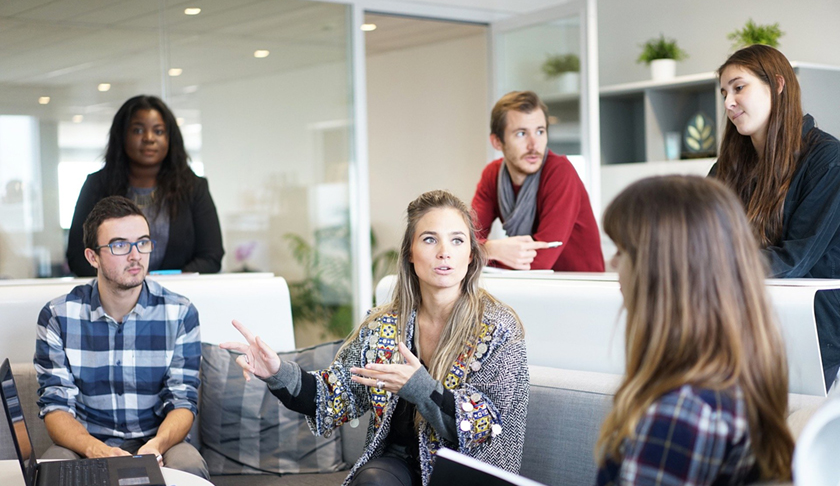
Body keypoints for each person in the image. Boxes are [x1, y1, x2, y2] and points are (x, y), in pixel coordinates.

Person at [222, 190, 529, 486]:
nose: (444, 252)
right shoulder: (383, 325)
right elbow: (335, 394)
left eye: (457, 240)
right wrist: (278, 372)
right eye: (429, 239)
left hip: (465, 469)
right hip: (397, 466)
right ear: (410, 252)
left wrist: (421, 389)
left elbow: (487, 425)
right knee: (373, 481)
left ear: (471, 254)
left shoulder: (499, 327)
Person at [596, 175, 794, 485]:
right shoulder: (736, 379)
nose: (612, 263)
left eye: (622, 251)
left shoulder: (682, 413)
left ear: (661, 270)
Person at [35, 196, 208, 479]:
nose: (135, 255)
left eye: (143, 242)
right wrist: (97, 450)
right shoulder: (58, 316)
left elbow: (183, 401)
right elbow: (55, 407)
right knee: (51, 468)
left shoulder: (180, 313)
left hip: (158, 441)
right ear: (93, 257)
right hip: (86, 443)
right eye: (119, 245)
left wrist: (156, 446)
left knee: (189, 466)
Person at [712, 44, 840, 390]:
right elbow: (701, 238)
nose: (728, 103)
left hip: (812, 331)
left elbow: (795, 258)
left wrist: (711, 265)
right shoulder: (726, 169)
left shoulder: (827, 159)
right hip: (743, 322)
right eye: (724, 92)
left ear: (778, 85)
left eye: (739, 87)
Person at [66, 95, 224, 277]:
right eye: (138, 131)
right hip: (113, 299)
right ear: (122, 135)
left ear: (170, 138)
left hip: (178, 297)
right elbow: (78, 257)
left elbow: (211, 257)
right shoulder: (97, 186)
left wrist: (164, 283)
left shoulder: (194, 188)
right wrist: (125, 281)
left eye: (158, 131)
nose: (149, 138)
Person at [471, 91, 604, 271]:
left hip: (579, 289)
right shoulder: (492, 175)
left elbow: (539, 262)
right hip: (531, 287)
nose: (534, 145)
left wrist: (481, 252)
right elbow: (464, 241)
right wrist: (491, 248)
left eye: (540, 132)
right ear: (497, 142)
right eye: (521, 134)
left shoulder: (560, 172)